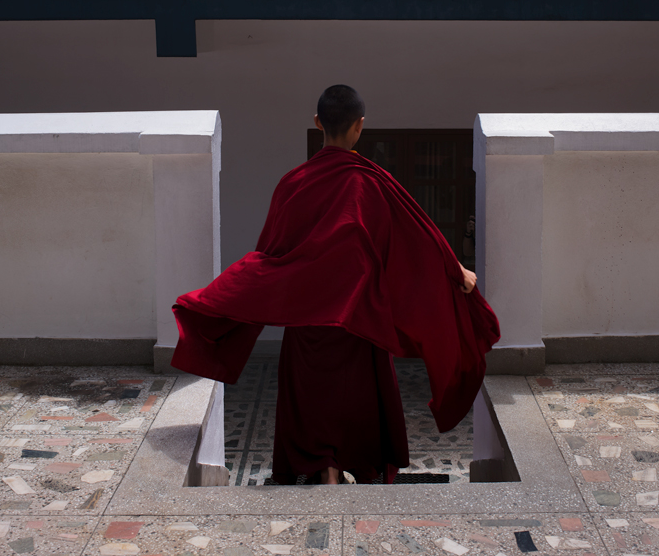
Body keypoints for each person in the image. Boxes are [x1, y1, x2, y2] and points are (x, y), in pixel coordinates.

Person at [171, 85, 500, 485]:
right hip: (358, 321)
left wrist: (234, 299)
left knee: (312, 398)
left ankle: (323, 466)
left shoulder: (293, 184)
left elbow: (269, 254)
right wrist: (455, 270)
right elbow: (417, 235)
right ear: (360, 126)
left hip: (307, 322)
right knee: (354, 397)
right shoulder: (372, 183)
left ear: (317, 123)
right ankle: (349, 466)